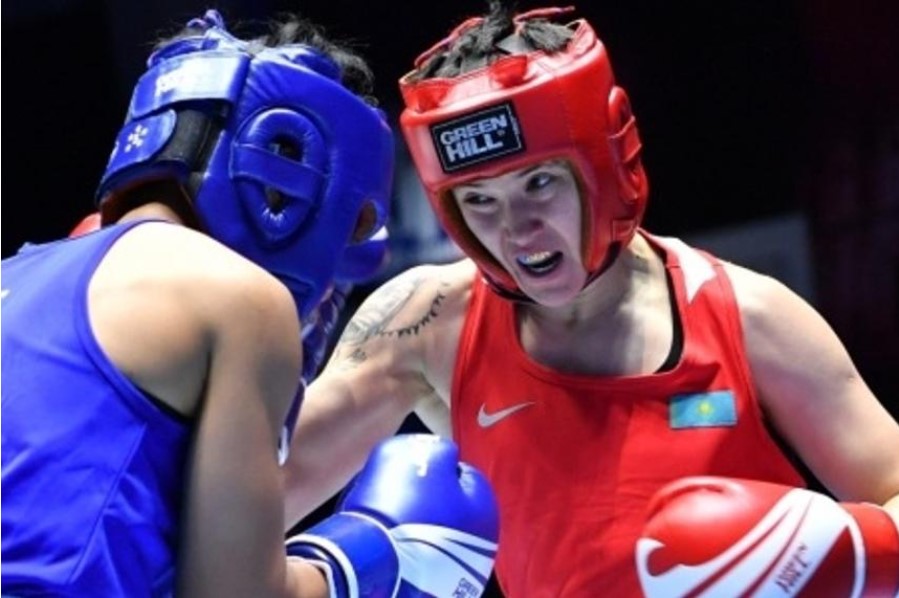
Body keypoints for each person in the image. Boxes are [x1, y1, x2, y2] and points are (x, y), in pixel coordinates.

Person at [283, 3, 899, 596]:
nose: (517, 230)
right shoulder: (428, 323)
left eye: (539, 182)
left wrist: (842, 551)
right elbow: (260, 499)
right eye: (480, 200)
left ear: (602, 165)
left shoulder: (746, 316)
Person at [1, 9, 499, 597]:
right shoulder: (240, 298)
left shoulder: (19, 274)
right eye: (348, 231)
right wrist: (375, 554)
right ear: (285, 181)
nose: (325, 295)